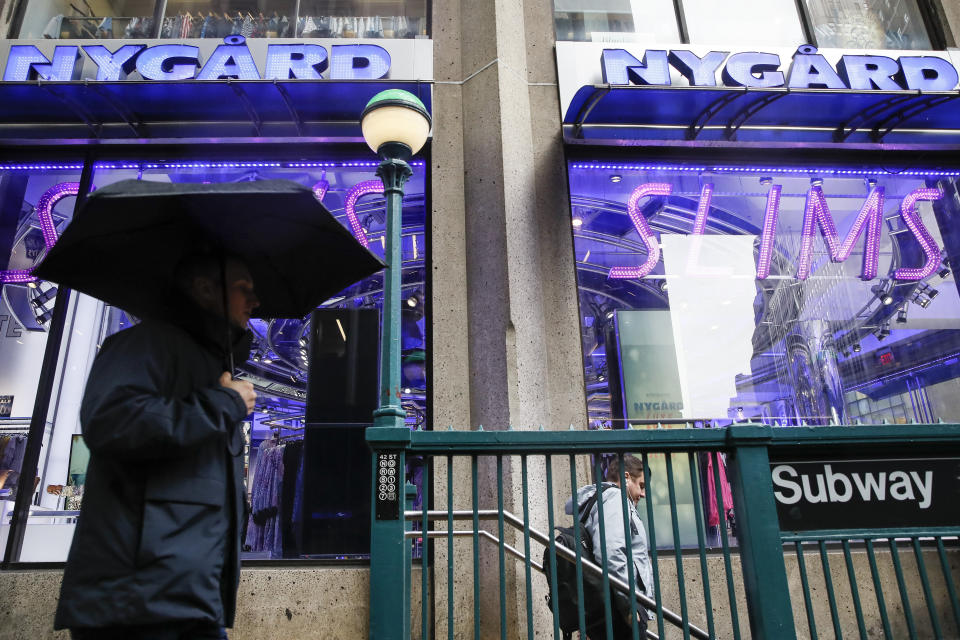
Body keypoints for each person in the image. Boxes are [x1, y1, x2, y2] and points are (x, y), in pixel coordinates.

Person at [54, 253, 260, 640]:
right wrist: (224, 404)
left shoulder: (208, 363)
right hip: (136, 604)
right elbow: (111, 423)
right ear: (204, 289)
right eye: (243, 288)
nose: (255, 300)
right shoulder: (146, 344)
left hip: (183, 598)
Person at [567, 454, 654, 640]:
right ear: (626, 476)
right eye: (641, 485)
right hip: (621, 606)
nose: (643, 493)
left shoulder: (602, 500)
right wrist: (629, 605)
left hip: (611, 603)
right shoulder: (615, 498)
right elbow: (611, 553)